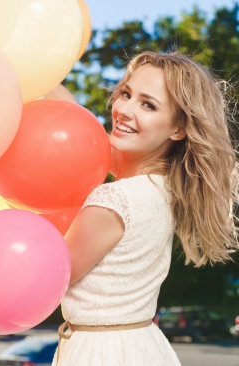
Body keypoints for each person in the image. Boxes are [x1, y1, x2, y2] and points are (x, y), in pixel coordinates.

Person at [50, 51, 239, 365]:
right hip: (143, 345)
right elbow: (75, 125)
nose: (123, 110)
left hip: (100, 354)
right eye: (125, 93)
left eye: (147, 104)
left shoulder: (114, 200)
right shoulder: (166, 189)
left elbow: (50, 278)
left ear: (178, 129)